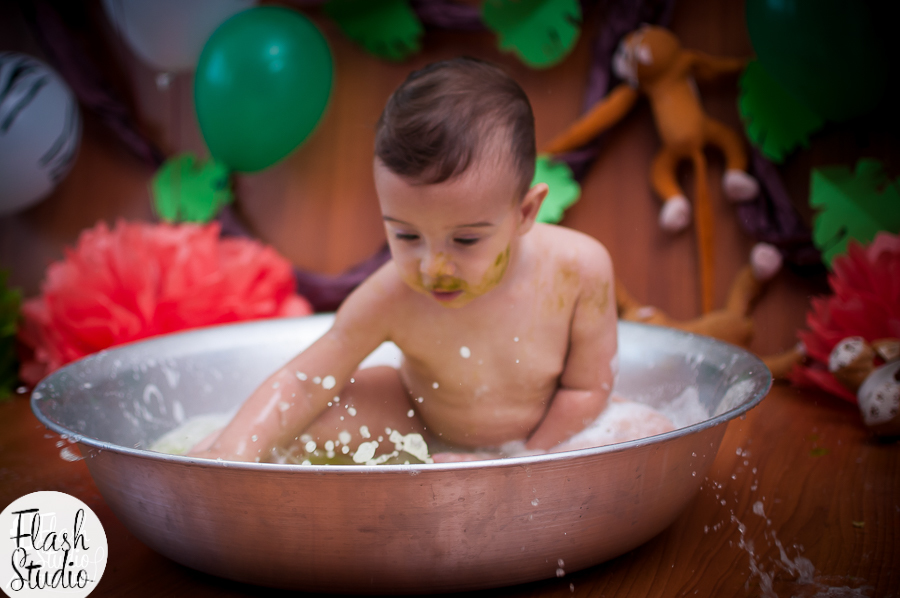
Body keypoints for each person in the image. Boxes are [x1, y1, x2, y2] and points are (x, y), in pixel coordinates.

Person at [191, 57, 622, 463]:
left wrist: (523, 462)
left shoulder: (578, 272)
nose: (433, 267)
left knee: (634, 429)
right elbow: (304, 384)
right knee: (299, 431)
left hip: (549, 434)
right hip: (421, 421)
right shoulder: (390, 294)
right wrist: (236, 450)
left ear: (525, 213)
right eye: (407, 235)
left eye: (465, 239)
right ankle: (213, 455)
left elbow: (586, 390)